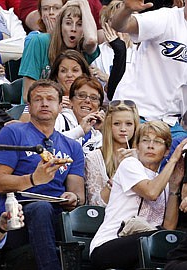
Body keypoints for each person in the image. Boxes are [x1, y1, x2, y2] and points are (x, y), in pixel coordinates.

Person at [0, 79, 85, 270]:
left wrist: (72, 198)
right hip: (16, 216)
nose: (44, 103)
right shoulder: (13, 133)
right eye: (38, 99)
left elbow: (78, 194)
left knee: (83, 218)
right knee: (41, 208)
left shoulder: (72, 147)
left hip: (56, 213)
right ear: (29, 105)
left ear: (61, 106)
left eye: (50, 99)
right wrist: (32, 179)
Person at [90, 122, 187, 270]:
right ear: (137, 146)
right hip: (109, 245)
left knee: (170, 239)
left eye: (158, 142)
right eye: (145, 140)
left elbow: (168, 227)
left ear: (166, 150)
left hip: (144, 249)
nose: (150, 146)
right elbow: (151, 192)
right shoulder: (129, 164)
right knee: (155, 241)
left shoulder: (164, 183)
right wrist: (173, 160)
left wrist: (174, 187)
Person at [111, 0, 187, 139]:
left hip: (170, 122)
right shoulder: (166, 18)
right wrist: (126, 9)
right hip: (135, 113)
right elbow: (121, 25)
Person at [19, 0, 99, 105]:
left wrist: (83, 3)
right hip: (36, 111)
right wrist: (57, 100)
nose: (73, 29)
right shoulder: (38, 41)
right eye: (68, 23)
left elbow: (91, 40)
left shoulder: (83, 49)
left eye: (80, 24)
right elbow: (26, 95)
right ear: (60, 25)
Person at [85, 100, 140, 206]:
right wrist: (119, 172)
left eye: (128, 124)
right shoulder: (94, 158)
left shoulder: (143, 155)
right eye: (117, 124)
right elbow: (96, 204)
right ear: (109, 126)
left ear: (135, 126)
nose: (123, 129)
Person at [57, 75, 105, 154]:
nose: (87, 101)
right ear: (71, 100)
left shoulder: (100, 132)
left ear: (99, 106)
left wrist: (104, 132)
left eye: (93, 98)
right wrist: (79, 130)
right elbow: (50, 144)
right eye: (81, 96)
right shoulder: (59, 119)